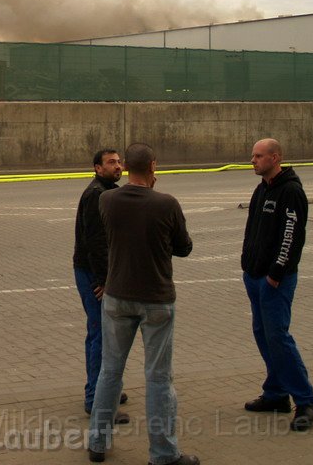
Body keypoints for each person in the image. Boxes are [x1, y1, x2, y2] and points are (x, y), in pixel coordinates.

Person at [87, 143, 197, 465]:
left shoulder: (107, 200)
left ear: (127, 168)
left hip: (117, 296)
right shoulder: (166, 204)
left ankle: (97, 442)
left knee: (110, 370)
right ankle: (163, 453)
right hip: (156, 299)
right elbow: (184, 247)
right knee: (159, 378)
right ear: (153, 166)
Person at [241, 138, 313, 431]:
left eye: (259, 156)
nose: (253, 160)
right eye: (253, 156)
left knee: (278, 337)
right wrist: (246, 265)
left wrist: (275, 272)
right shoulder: (261, 189)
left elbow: (292, 235)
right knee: (264, 335)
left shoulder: (290, 191)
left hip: (275, 280)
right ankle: (275, 394)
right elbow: (251, 229)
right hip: (254, 275)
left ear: (276, 158)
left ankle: (306, 400)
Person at [73, 149, 129, 422]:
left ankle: (106, 390)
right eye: (111, 162)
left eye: (119, 162)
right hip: (92, 273)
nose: (117, 166)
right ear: (97, 167)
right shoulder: (97, 195)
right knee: (101, 335)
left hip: (92, 271)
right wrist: (103, 280)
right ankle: (96, 400)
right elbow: (96, 242)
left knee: (98, 333)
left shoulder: (106, 191)